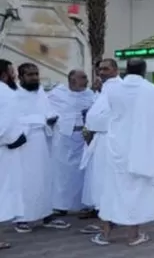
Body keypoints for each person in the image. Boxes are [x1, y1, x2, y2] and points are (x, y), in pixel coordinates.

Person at [94, 58, 154, 247]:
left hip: (117, 147)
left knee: (111, 190)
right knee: (137, 192)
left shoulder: (113, 89)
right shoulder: (152, 91)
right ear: (144, 70)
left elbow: (104, 115)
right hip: (141, 148)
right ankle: (133, 235)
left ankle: (105, 234)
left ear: (126, 69)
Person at [14, 63, 70, 233]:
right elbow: (15, 119)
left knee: (45, 179)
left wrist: (52, 118)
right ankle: (22, 219)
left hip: (43, 142)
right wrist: (40, 120)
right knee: (26, 182)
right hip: (25, 143)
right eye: (30, 75)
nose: (35, 78)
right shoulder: (14, 95)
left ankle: (47, 216)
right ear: (20, 77)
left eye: (36, 74)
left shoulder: (40, 92)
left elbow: (48, 111)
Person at [79, 58, 121, 235]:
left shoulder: (117, 88)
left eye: (106, 69)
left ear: (116, 70)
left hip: (110, 142)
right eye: (100, 70)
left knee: (107, 182)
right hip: (100, 141)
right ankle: (106, 218)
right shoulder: (106, 88)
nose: (102, 72)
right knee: (100, 182)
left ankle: (109, 222)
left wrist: (91, 124)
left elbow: (112, 118)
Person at [48, 69, 96, 215]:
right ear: (72, 80)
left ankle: (84, 204)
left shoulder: (89, 94)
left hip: (83, 138)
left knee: (83, 172)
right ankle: (60, 206)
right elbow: (48, 111)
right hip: (63, 138)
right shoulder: (57, 94)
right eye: (83, 78)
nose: (87, 80)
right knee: (62, 174)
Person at [0, 60, 27, 251]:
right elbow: (6, 124)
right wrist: (14, 139)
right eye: (12, 72)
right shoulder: (7, 93)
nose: (15, 76)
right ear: (4, 74)